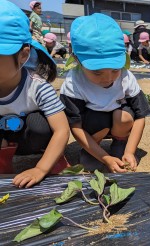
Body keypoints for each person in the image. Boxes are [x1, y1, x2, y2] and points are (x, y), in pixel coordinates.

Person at [60, 13, 150, 173]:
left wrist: (130, 151)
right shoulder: (74, 83)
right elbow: (76, 127)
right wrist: (104, 157)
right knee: (97, 120)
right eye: (97, 72)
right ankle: (92, 150)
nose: (107, 78)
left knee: (123, 117)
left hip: (118, 123)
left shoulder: (125, 76)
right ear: (77, 60)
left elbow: (140, 115)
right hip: (93, 127)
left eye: (115, 69)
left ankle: (120, 143)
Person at [0, 0, 70, 188]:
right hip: (6, 137)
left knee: (40, 124)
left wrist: (40, 168)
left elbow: (62, 130)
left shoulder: (37, 86)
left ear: (23, 55)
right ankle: (3, 159)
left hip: (30, 139)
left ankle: (53, 157)